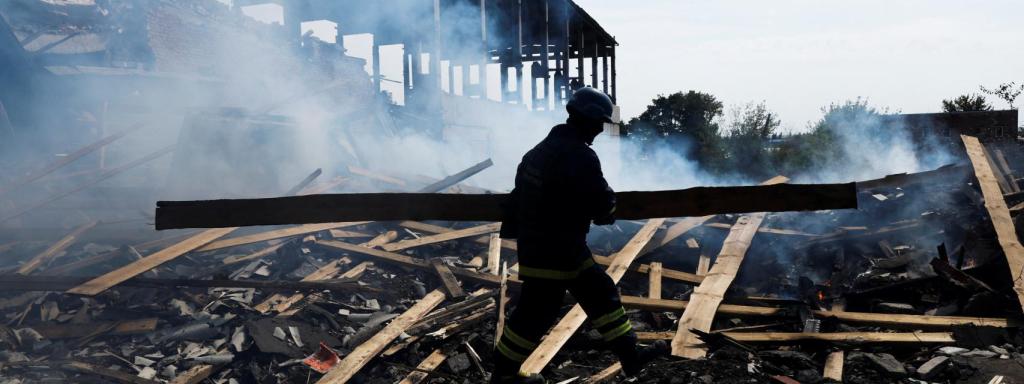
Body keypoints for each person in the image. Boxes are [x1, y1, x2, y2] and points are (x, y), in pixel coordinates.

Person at [492, 87, 666, 383]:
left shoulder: (537, 151)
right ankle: (503, 376)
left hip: (542, 246)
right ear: (587, 119)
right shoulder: (579, 156)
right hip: (557, 250)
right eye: (599, 122)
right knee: (535, 316)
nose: (600, 129)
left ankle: (631, 355)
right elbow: (601, 204)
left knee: (599, 292)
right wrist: (608, 209)